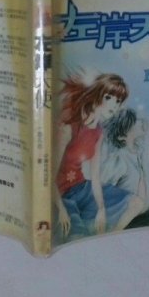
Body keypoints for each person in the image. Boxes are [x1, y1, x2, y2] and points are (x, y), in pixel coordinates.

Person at [54, 72, 135, 241]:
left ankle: (111, 240)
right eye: (109, 97)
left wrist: (101, 209)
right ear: (97, 95)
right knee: (76, 235)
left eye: (118, 101)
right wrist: (61, 209)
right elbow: (48, 176)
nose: (114, 105)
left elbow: (95, 176)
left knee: (136, 203)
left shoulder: (98, 131)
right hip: (59, 194)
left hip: (80, 187)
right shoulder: (69, 123)